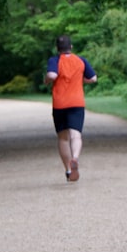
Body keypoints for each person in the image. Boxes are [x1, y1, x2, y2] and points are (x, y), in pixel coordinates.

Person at [45, 35, 97, 181]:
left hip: (60, 103)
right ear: (71, 47)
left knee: (63, 138)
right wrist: (81, 79)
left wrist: (47, 80)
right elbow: (93, 78)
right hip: (77, 102)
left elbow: (52, 74)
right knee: (76, 135)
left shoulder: (54, 60)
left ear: (57, 48)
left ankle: (68, 170)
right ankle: (75, 158)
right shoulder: (80, 60)